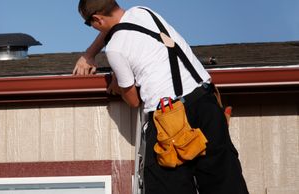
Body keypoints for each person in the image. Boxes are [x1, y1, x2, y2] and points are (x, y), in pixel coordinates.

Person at [73, 0, 249, 194]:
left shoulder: (115, 48)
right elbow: (116, 27)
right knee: (225, 183)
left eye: (89, 24)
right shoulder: (144, 11)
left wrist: (117, 85)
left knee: (166, 185)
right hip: (205, 101)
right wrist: (90, 53)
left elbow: (133, 100)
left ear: (97, 19)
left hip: (170, 119)